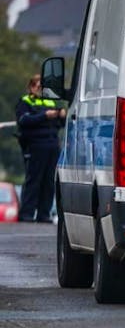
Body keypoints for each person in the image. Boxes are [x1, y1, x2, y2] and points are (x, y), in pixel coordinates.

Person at [15, 74, 65, 223]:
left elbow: (59, 125)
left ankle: (44, 214)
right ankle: (27, 213)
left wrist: (61, 116)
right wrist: (44, 116)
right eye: (37, 86)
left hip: (52, 145)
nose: (40, 89)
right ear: (31, 87)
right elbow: (24, 120)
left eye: (42, 87)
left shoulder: (50, 101)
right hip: (35, 145)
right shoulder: (25, 101)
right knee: (33, 180)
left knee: (49, 181)